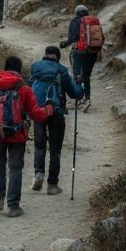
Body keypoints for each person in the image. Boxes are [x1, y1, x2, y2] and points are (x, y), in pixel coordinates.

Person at [0, 57, 53, 216]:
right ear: (19, 69)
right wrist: (48, 111)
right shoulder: (23, 88)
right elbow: (36, 114)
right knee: (15, 168)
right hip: (17, 134)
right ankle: (13, 206)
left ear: (5, 68)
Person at [28, 47, 84, 194]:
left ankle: (38, 174)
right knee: (55, 149)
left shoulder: (35, 68)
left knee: (39, 146)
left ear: (45, 55)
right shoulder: (62, 71)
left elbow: (28, 88)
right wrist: (79, 83)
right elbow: (76, 94)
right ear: (57, 57)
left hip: (38, 111)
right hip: (57, 112)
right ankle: (52, 185)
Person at [60, 5, 99, 112]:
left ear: (76, 12)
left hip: (79, 52)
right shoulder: (93, 21)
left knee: (76, 74)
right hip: (93, 52)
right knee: (86, 75)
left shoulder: (75, 21)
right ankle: (88, 99)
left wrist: (64, 44)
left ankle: (78, 98)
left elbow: (72, 38)